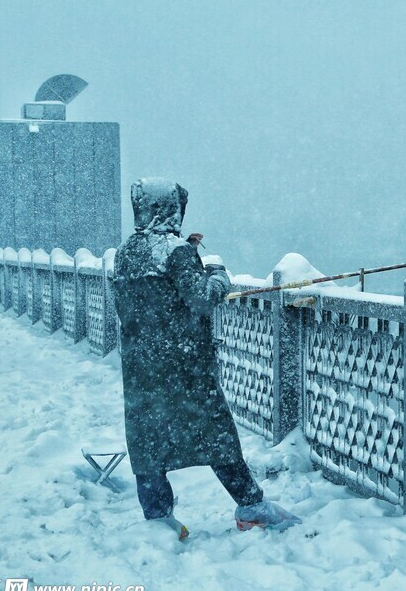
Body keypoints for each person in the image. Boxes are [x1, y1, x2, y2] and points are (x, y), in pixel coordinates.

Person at [112, 178, 299, 540]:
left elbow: (149, 299)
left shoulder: (127, 252)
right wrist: (214, 271)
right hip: (184, 367)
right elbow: (201, 299)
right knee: (216, 437)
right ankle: (252, 507)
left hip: (141, 368)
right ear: (170, 208)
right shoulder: (176, 252)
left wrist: (187, 254)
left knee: (148, 443)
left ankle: (159, 520)